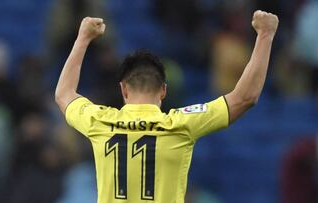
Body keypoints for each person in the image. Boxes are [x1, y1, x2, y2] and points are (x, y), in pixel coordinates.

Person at [55, 10, 279, 203]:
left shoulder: (100, 121)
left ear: (124, 89)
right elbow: (245, 98)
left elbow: (64, 94)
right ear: (163, 90)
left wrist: (83, 38)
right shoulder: (181, 123)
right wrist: (265, 36)